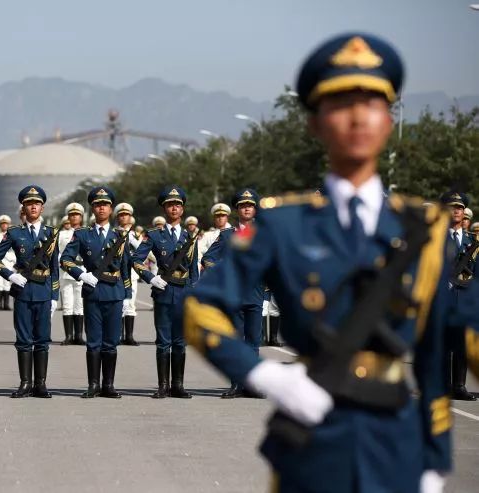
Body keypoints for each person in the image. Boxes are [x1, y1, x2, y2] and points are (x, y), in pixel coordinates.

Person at [183, 33, 457, 492]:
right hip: (311, 438)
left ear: (389, 120)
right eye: (339, 104)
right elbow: (200, 308)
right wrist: (264, 374)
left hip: (396, 438)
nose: (356, 117)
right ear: (313, 124)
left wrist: (436, 460)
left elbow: (435, 356)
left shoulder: (424, 230)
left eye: (371, 104)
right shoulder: (282, 224)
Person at [61, 187, 132, 398]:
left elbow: (126, 265)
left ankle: (108, 385)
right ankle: (93, 384)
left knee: (111, 341)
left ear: (111, 209)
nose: (101, 208)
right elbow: (65, 259)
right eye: (98, 204)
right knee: (94, 341)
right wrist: (81, 274)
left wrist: (127, 293)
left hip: (114, 293)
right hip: (92, 292)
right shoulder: (82, 234)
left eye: (106, 205)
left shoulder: (120, 235)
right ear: (92, 208)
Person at [0, 186, 59, 398]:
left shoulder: (51, 233)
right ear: (24, 207)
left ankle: (41, 384)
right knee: (23, 339)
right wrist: (10, 275)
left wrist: (55, 296)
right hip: (23, 290)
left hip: (44, 291)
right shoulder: (14, 233)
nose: (33, 206)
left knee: (42, 340)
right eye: (29, 203)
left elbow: (55, 267)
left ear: (42, 207)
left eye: (36, 203)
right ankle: (25, 383)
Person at [132, 186, 198, 399]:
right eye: (170, 205)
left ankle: (177, 385)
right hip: (163, 290)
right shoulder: (154, 235)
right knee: (163, 341)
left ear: (183, 208)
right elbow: (136, 260)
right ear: (164, 208)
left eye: (178, 204)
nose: (174, 208)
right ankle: (163, 386)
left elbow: (194, 269)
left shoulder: (190, 237)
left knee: (180, 341)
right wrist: (152, 278)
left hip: (184, 292)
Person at [204, 188, 266, 399]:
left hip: (256, 294)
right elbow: (208, 259)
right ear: (237, 210)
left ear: (255, 209)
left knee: (254, 342)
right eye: (242, 206)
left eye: (249, 205)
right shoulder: (227, 235)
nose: (246, 209)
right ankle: (236, 384)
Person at [441, 191, 477, 401]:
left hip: (464, 298)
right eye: (452, 206)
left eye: (460, 207)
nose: (457, 210)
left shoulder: (472, 242)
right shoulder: (434, 238)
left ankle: (459, 385)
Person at [58, 203, 86, 345]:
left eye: (77, 215)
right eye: (72, 215)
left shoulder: (88, 232)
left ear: (81, 217)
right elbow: (56, 253)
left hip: (82, 272)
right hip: (66, 272)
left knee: (79, 304)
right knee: (68, 304)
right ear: (68, 217)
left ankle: (79, 336)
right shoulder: (62, 234)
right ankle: (69, 336)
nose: (74, 217)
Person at [115, 202, 141, 345]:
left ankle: (129, 336)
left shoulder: (135, 235)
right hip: (117, 274)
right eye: (121, 215)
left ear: (131, 217)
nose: (124, 217)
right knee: (118, 304)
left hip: (132, 273)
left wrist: (132, 240)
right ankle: (118, 335)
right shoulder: (113, 233)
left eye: (127, 215)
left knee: (130, 304)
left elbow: (145, 253)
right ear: (117, 217)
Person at [0, 215, 15, 310]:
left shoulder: (12, 235)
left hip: (10, 262)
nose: (4, 225)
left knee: (7, 283)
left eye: (6, 224)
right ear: (0, 225)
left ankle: (6, 305)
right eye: (2, 224)